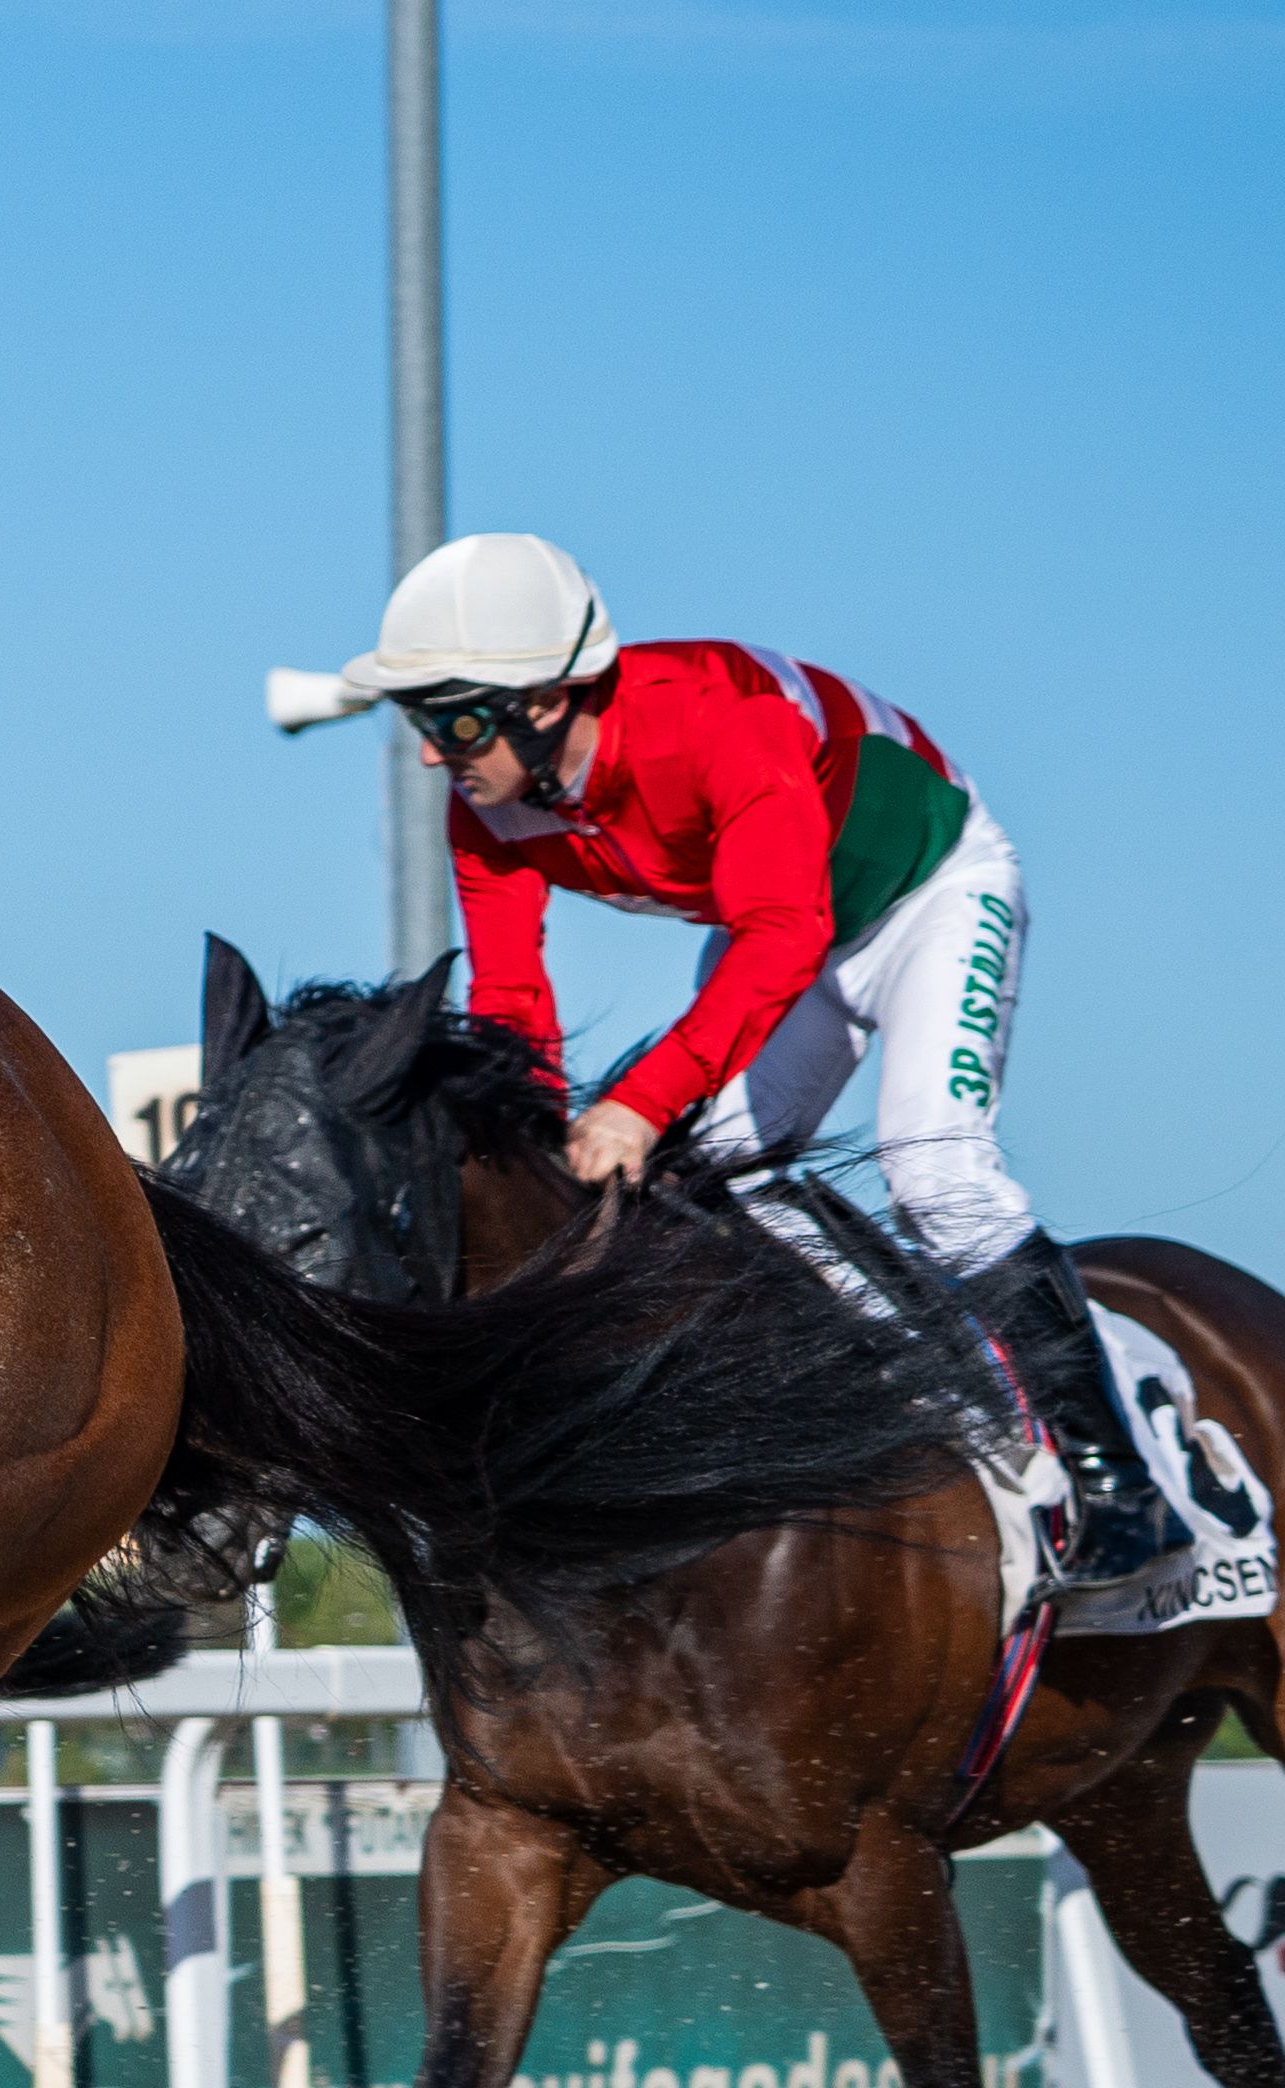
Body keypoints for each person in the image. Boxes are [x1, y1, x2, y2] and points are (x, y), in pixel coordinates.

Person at [344, 529, 1190, 1594]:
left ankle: (1124, 1485)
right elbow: (514, 1003)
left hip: (929, 897)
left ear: (548, 700)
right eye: (416, 719)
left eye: (453, 718)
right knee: (689, 1186)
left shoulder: (717, 721)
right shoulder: (488, 807)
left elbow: (784, 934)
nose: (432, 752)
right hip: (795, 936)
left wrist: (642, 1103)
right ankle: (877, 1395)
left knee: (934, 1172)